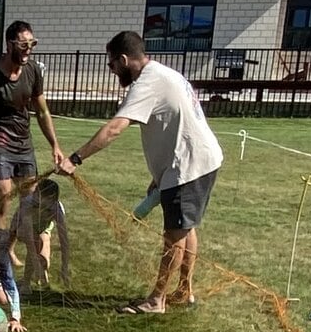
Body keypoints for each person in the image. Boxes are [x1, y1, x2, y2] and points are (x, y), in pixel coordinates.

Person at [55, 29, 224, 314]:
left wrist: (76, 158)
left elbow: (115, 128)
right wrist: (160, 176)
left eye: (111, 65)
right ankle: (184, 290)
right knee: (186, 227)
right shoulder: (163, 73)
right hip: (198, 161)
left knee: (175, 235)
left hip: (189, 166)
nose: (111, 71)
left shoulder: (146, 83)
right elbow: (175, 124)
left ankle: (157, 300)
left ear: (123, 59)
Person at [0, 20, 61, 228]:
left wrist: (54, 145)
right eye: (23, 45)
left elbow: (42, 111)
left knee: (29, 200)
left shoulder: (33, 70)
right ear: (9, 45)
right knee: (4, 199)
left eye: (32, 44)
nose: (28, 50)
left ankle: (8, 247)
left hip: (23, 143)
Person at [12, 177, 70, 290]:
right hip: (21, 226)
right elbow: (29, 239)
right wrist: (35, 263)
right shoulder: (27, 203)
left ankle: (41, 279)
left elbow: (64, 240)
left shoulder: (56, 208)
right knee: (36, 243)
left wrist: (65, 267)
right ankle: (26, 283)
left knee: (44, 261)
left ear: (53, 199)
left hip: (43, 227)